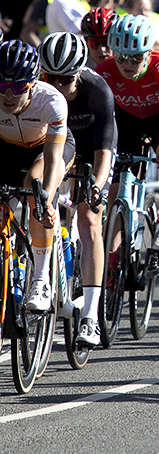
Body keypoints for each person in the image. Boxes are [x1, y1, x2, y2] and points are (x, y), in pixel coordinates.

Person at [38, 32, 117, 347]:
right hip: (58, 146)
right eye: (50, 77)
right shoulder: (41, 89)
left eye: (66, 78)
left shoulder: (97, 90)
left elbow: (106, 149)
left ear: (79, 72)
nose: (57, 85)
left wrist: (97, 185)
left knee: (89, 219)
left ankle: (92, 317)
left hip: (92, 146)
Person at [96, 15, 159, 253]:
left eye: (135, 57)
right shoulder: (103, 71)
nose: (127, 64)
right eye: (120, 56)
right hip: (128, 123)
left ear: (148, 53)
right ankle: (112, 271)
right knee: (115, 195)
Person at [0, 40, 73, 312]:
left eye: (17, 88)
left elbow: (54, 160)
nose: (8, 96)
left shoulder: (52, 100)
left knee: (36, 186)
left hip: (46, 148)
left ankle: (41, 279)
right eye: (2, 87)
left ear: (32, 84)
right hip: (7, 148)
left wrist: (47, 200)